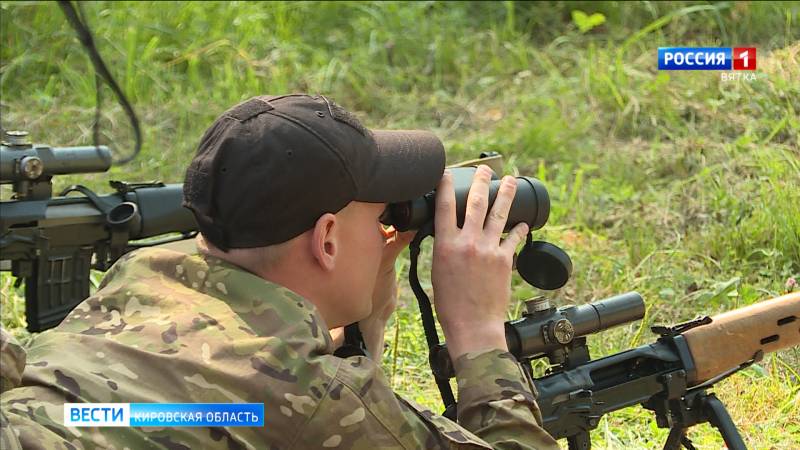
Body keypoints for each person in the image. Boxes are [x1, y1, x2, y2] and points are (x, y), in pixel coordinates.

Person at [0, 94, 559, 449]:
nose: (390, 229)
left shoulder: (135, 282)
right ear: (327, 240)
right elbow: (316, 403)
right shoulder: (307, 393)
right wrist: (478, 334)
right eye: (380, 215)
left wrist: (368, 311)